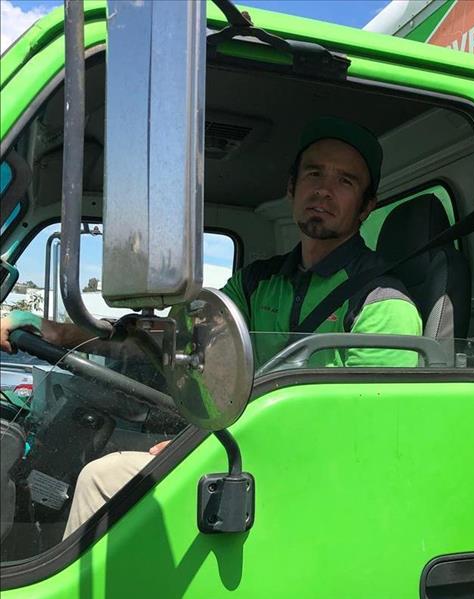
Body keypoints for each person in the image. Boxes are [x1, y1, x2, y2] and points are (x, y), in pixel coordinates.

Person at [0, 116, 423, 539]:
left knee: (102, 480)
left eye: (346, 181)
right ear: (292, 188)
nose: (324, 190)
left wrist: (204, 452)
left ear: (367, 205)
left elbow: (368, 446)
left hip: (306, 483)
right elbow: (179, 343)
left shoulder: (383, 306)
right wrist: (54, 332)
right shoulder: (258, 282)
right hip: (242, 452)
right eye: (314, 173)